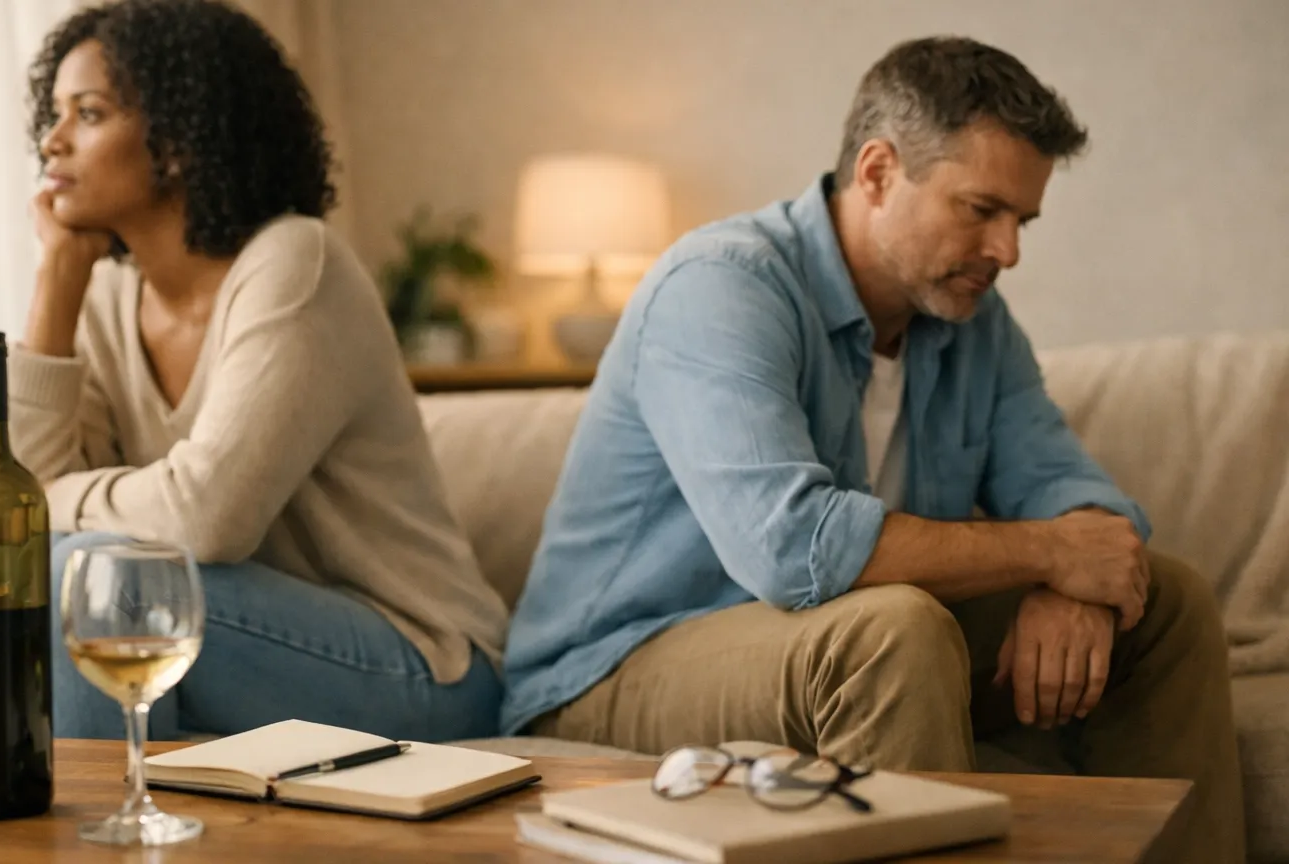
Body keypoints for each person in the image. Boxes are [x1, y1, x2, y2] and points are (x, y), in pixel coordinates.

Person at [501, 36, 1243, 862]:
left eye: (1021, 221)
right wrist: (1049, 551)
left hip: (821, 648)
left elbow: (1065, 484)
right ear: (879, 172)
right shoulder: (720, 285)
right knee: (895, 630)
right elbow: (792, 551)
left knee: (1163, 597)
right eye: (981, 210)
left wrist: (1082, 574)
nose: (1010, 252)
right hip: (614, 667)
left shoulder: (973, 323)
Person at [0, 0, 509, 744]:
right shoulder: (111, 295)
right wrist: (59, 278)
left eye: (88, 113)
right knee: (43, 565)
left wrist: (53, 499)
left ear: (175, 140)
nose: (52, 141)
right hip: (243, 639)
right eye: (54, 115)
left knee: (91, 572)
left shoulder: (297, 266)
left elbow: (210, 517)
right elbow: (20, 510)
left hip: (423, 666)